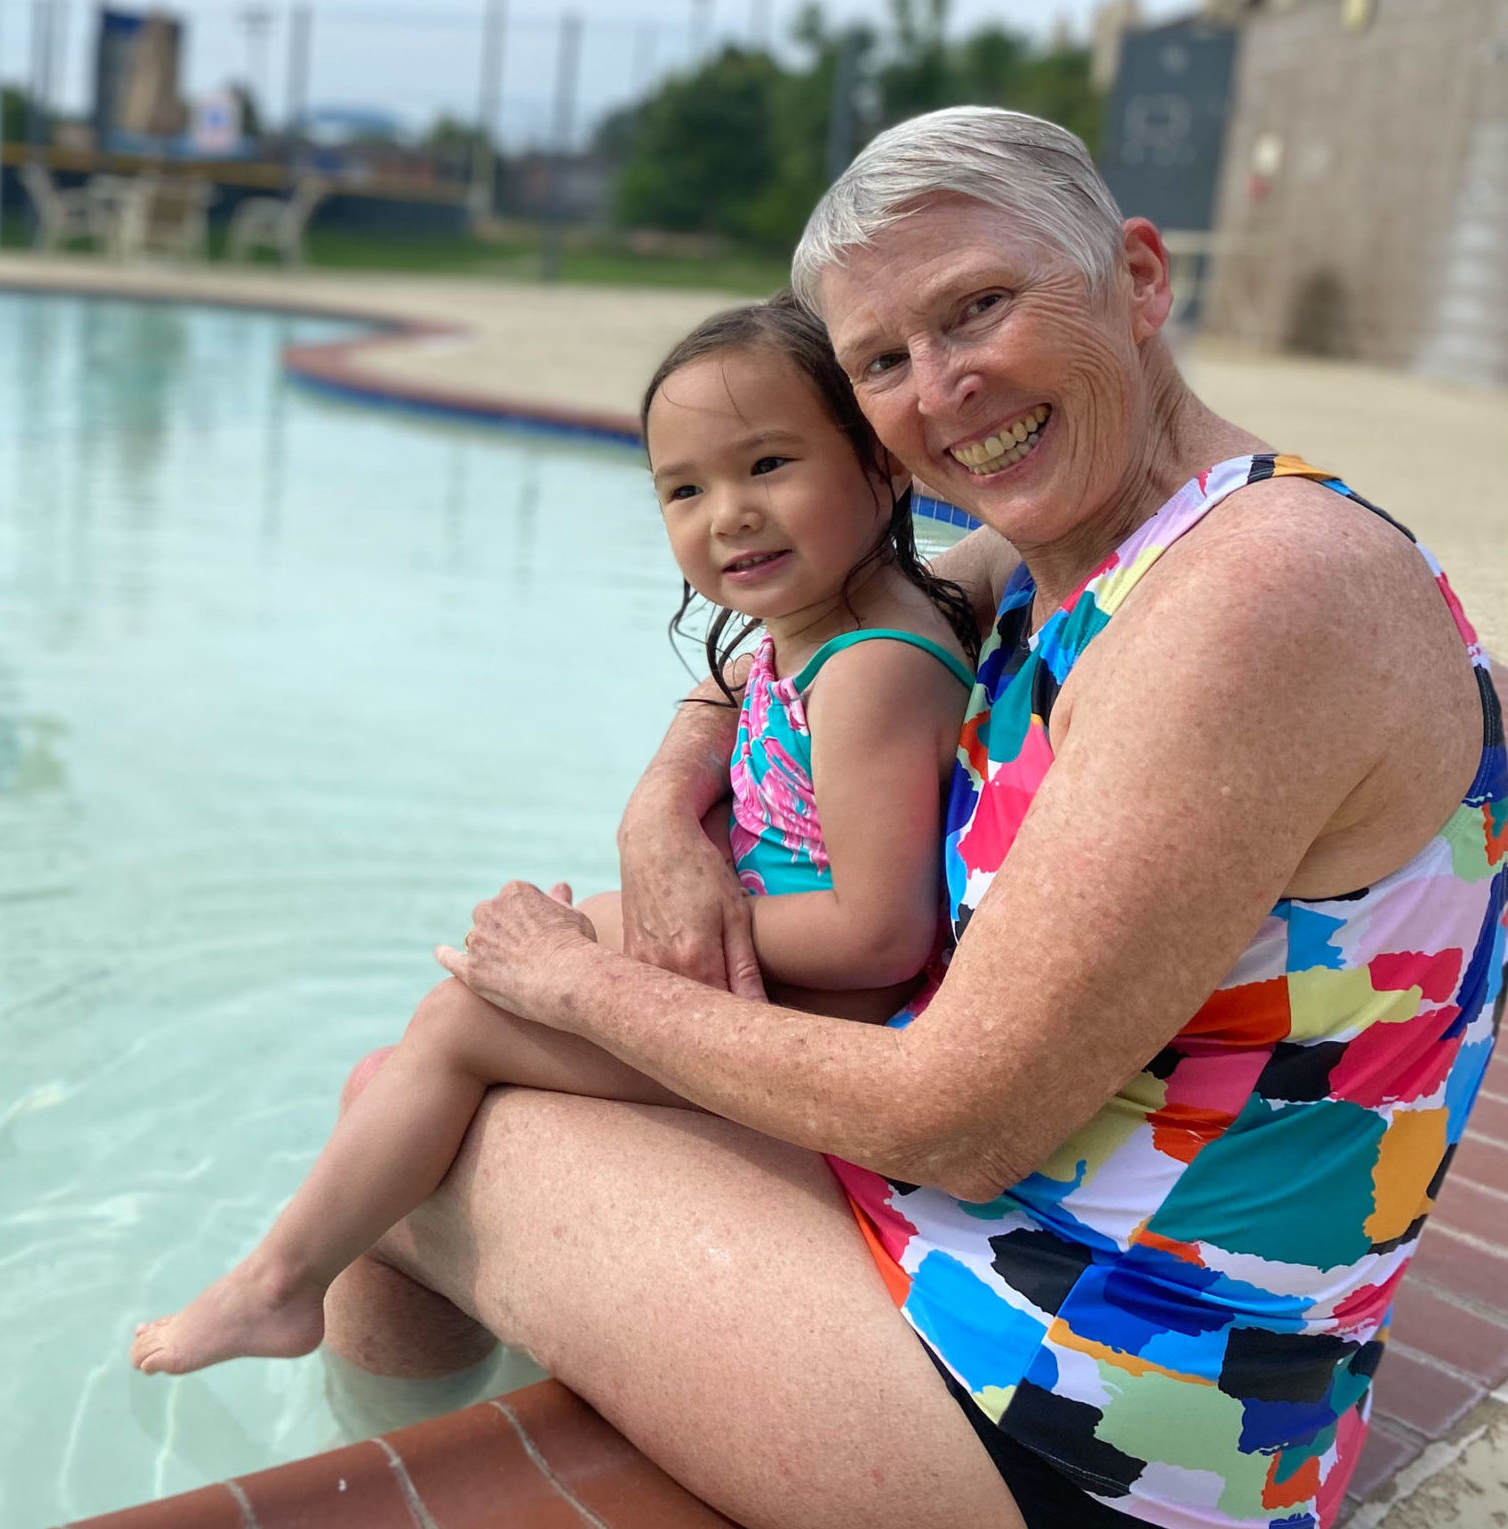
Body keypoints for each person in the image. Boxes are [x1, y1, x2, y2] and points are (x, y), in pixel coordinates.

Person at [309, 107, 1504, 1529]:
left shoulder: (1255, 597)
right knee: (446, 1068)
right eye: (883, 360)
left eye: (979, 307)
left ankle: (362, 1488)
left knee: (399, 1130)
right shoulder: (1084, 540)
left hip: (1104, 1418)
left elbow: (958, 1120)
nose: (942, 391)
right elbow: (797, 639)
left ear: (1136, 279)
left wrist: (570, 983)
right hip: (1021, 1272)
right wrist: (663, 801)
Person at [129, 294, 980, 1377]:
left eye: (769, 464)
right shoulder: (811, 633)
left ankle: (278, 1287)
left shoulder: (869, 670)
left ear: (883, 465)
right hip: (774, 992)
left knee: (455, 1024)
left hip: (811, 1021)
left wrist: (645, 933)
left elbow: (881, 934)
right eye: (686, 487)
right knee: (508, 982)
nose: (728, 514)